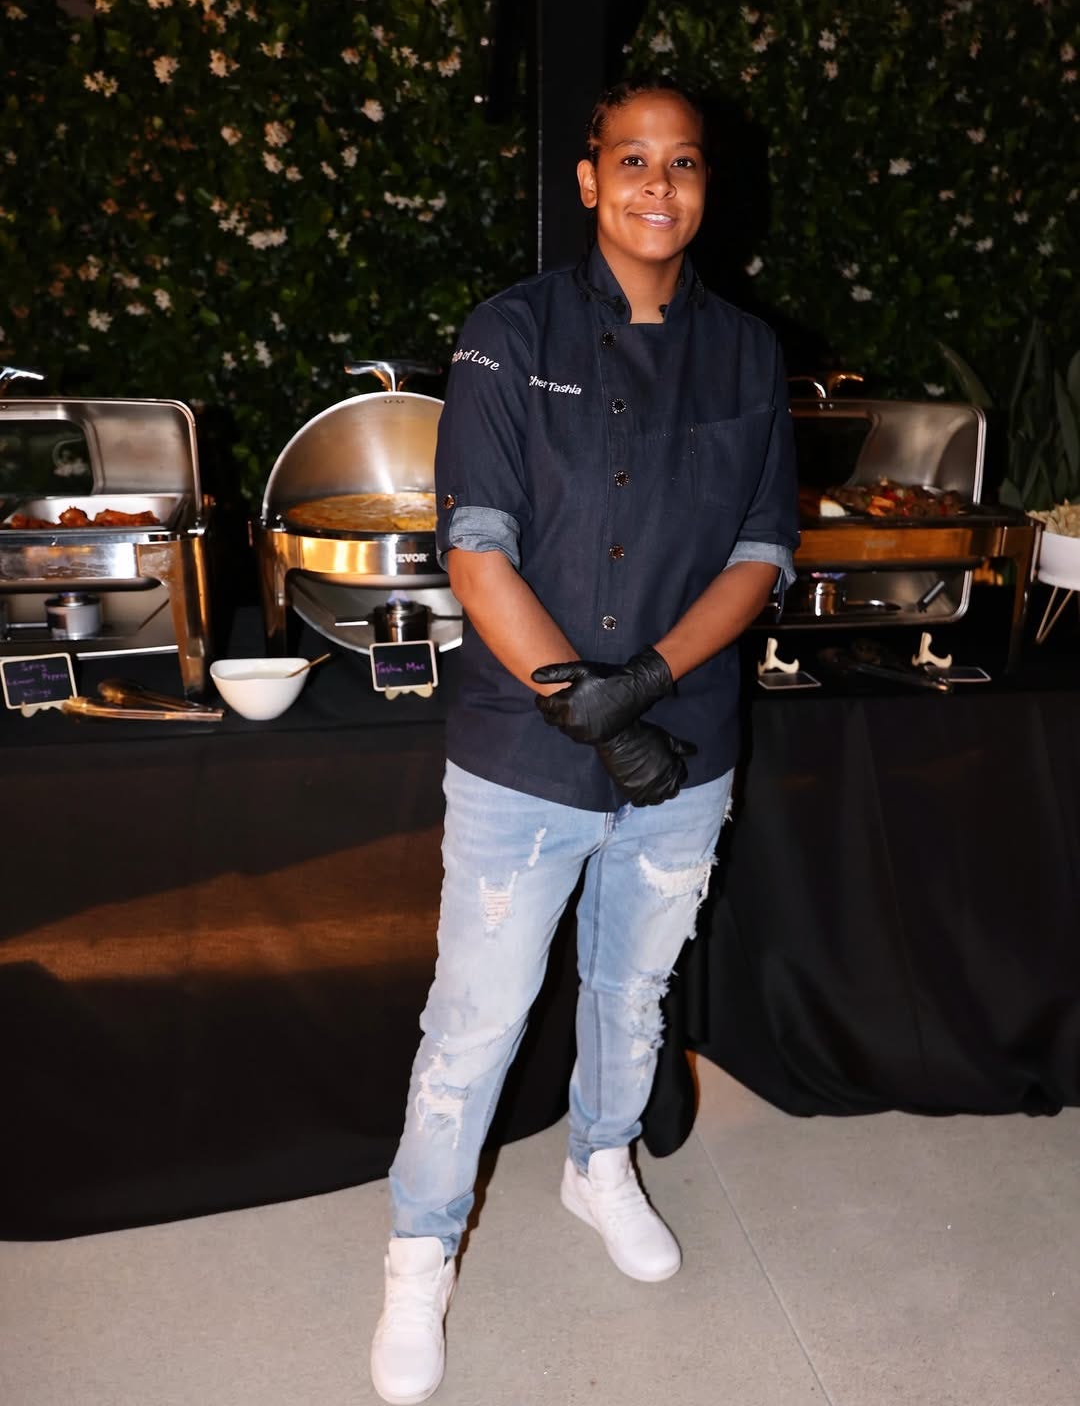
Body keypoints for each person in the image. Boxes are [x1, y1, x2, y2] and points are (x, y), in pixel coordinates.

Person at [370, 78, 799, 1405]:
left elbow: (759, 553)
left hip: (685, 744)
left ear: (704, 185)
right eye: (633, 161)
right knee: (478, 1020)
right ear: (588, 180)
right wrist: (585, 708)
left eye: (683, 163)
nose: (658, 185)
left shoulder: (748, 354)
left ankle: (597, 1162)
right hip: (524, 747)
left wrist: (649, 687)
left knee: (633, 991)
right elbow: (478, 548)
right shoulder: (510, 333)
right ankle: (417, 1258)